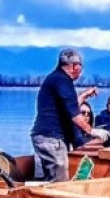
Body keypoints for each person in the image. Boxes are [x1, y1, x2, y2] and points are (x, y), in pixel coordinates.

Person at [30, 48, 97, 181]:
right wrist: (93, 131)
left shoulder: (56, 79)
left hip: (46, 136)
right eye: (81, 66)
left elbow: (68, 106)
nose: (81, 70)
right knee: (59, 180)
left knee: (55, 176)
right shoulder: (62, 81)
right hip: (51, 138)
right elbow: (75, 116)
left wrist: (83, 96)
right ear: (74, 66)